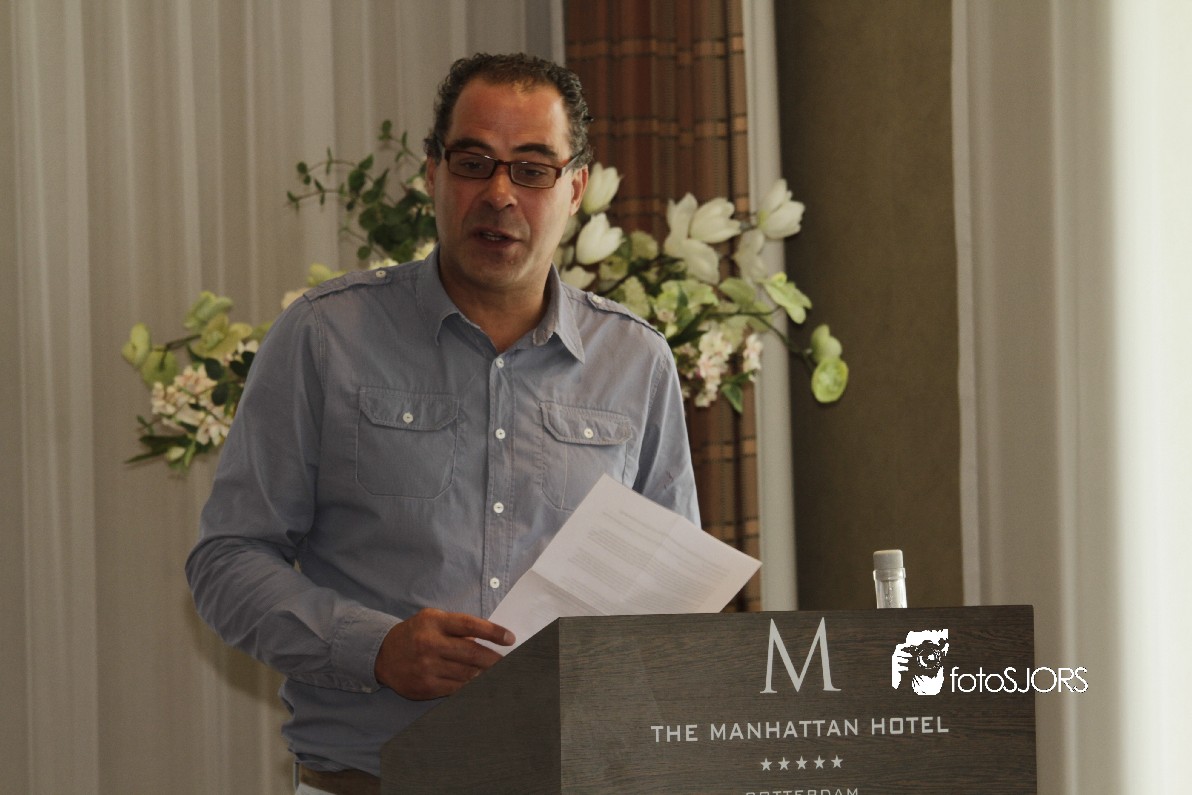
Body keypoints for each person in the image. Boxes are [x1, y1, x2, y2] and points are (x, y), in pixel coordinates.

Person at [186, 52, 699, 793]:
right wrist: (374, 647)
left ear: (575, 187)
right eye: (473, 162)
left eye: (532, 169)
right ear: (432, 172)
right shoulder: (325, 337)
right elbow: (227, 561)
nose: (499, 193)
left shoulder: (636, 361)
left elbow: (670, 602)